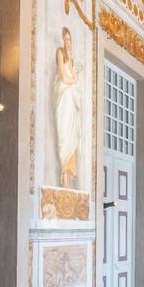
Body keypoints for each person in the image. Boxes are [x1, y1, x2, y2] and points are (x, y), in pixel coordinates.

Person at [53, 27, 81, 189]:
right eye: (66, 39)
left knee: (72, 137)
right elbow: (64, 77)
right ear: (63, 40)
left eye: (70, 39)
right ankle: (64, 177)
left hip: (72, 99)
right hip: (64, 97)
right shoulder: (60, 53)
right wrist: (73, 79)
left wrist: (74, 76)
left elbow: (74, 78)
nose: (68, 42)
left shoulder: (72, 59)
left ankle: (68, 178)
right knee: (64, 135)